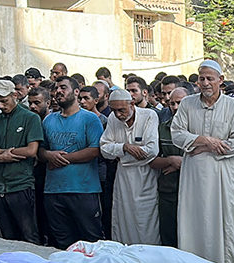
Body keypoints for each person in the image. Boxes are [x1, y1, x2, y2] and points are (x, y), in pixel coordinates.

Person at [169, 60, 234, 263]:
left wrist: (200, 146)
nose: (205, 83)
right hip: (193, 177)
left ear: (220, 80)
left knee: (223, 225)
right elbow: (176, 134)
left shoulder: (233, 106)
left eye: (210, 79)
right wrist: (205, 139)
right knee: (193, 223)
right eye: (201, 78)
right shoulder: (187, 104)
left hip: (222, 176)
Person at [40, 76, 104, 250]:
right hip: (53, 191)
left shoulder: (89, 119)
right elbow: (40, 150)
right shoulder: (49, 120)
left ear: (76, 92)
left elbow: (95, 150)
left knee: (91, 242)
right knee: (62, 243)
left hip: (83, 190)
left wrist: (61, 159)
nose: (58, 91)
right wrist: (48, 155)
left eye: (63, 87)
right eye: (56, 89)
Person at [0, 79, 44, 244]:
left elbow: (31, 150)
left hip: (20, 185)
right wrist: (0, 157)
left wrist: (4, 152)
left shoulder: (30, 118)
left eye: (4, 101)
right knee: (7, 237)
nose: (1, 106)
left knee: (29, 235)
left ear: (15, 95)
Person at [100, 89, 160, 245]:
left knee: (146, 223)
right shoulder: (113, 118)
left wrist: (120, 156)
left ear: (132, 104)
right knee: (123, 220)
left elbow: (151, 151)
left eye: (122, 110)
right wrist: (124, 147)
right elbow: (104, 149)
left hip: (145, 177)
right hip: (123, 179)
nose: (118, 114)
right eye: (114, 110)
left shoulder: (149, 116)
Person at [151, 87, 187, 247]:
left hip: (193, 190)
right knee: (169, 236)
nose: (175, 107)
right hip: (169, 190)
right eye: (172, 103)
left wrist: (183, 163)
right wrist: (170, 160)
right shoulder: (162, 129)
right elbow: (151, 160)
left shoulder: (200, 129)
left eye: (180, 102)